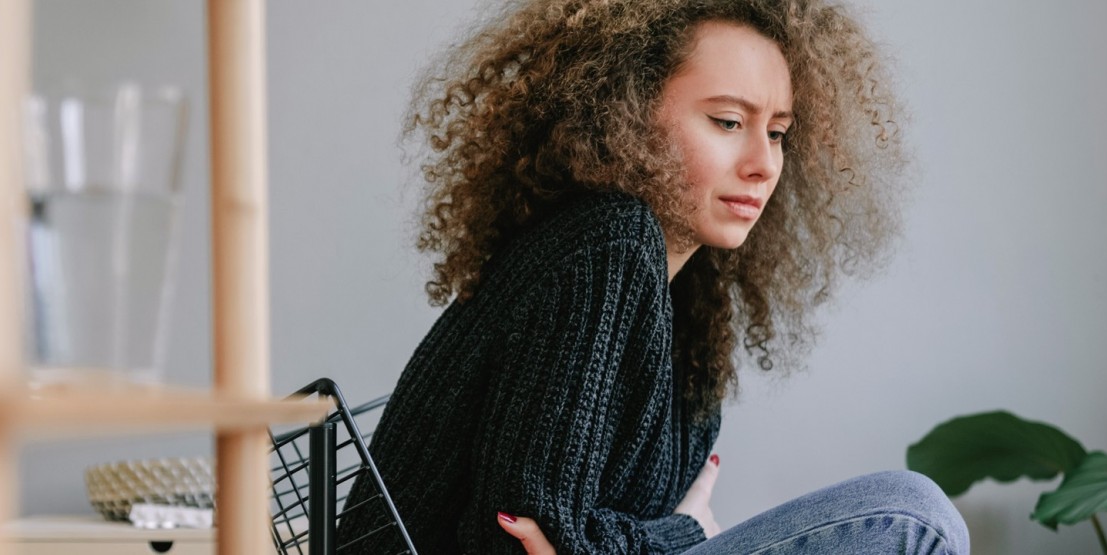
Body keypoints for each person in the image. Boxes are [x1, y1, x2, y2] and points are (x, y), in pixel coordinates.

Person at [338, 0, 969, 553]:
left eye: (778, 133)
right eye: (728, 122)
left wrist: (647, 535)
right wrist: (687, 532)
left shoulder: (692, 296)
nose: (762, 164)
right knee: (916, 519)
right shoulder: (606, 244)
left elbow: (575, 537)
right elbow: (517, 538)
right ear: (627, 112)